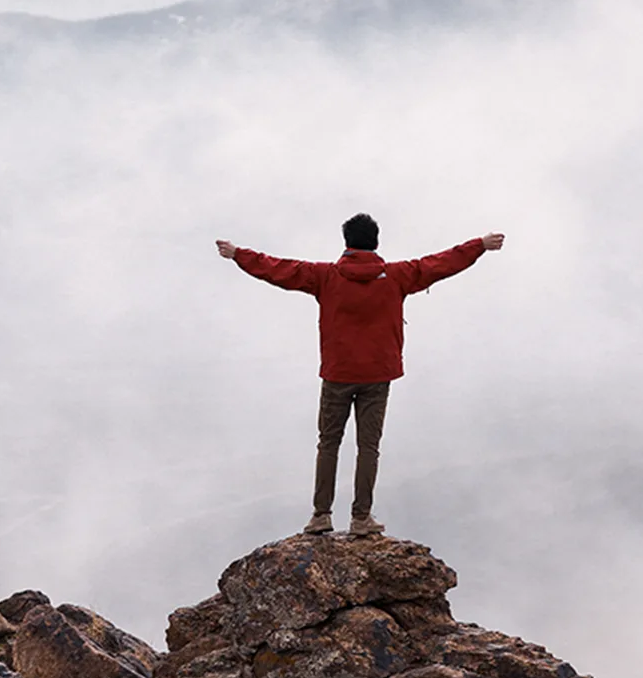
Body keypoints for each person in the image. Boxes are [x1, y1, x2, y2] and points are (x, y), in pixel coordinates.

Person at [216, 214, 504, 536]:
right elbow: (441, 263)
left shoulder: (324, 276)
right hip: (377, 376)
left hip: (338, 374)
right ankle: (361, 517)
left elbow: (278, 269)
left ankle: (321, 515)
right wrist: (479, 245)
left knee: (328, 443)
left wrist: (238, 254)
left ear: (347, 242)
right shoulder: (398, 276)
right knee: (368, 447)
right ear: (376, 241)